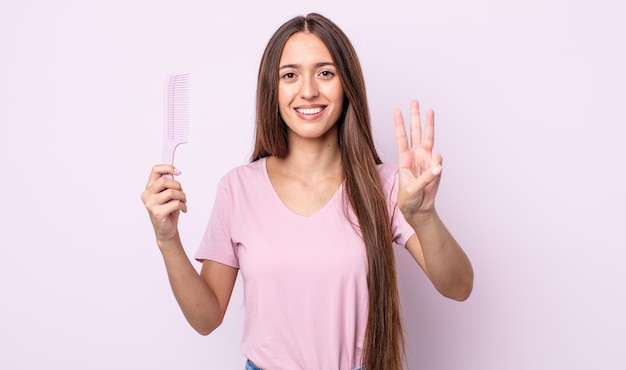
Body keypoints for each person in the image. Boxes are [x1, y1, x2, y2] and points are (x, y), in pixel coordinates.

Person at [141, 13, 473, 370]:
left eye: (325, 72)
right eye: (290, 75)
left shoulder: (388, 186)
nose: (309, 90)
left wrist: (423, 217)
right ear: (273, 88)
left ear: (347, 85)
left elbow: (458, 286)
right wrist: (168, 240)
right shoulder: (239, 188)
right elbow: (206, 319)